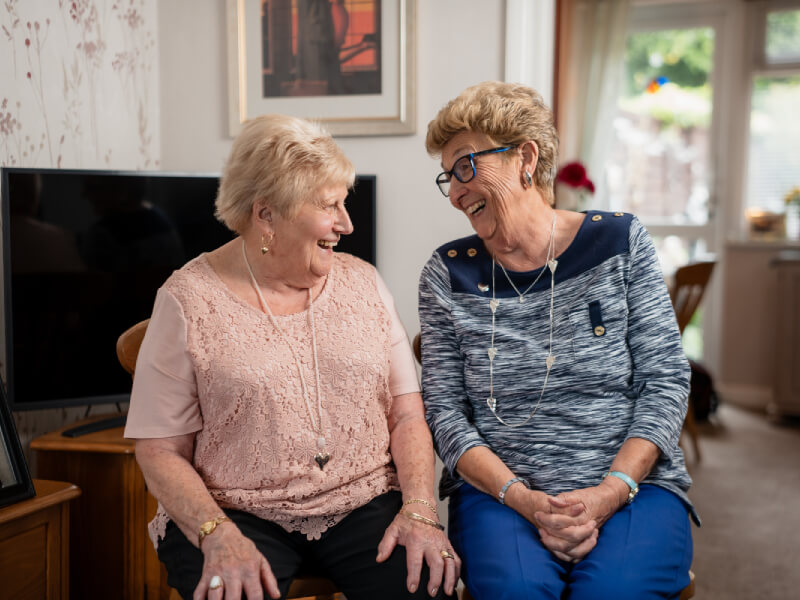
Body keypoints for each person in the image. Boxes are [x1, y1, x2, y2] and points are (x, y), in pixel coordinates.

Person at [125, 114, 460, 600]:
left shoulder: (363, 282)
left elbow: (407, 413)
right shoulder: (187, 300)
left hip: (362, 499)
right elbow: (158, 450)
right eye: (330, 206)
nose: (346, 224)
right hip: (232, 508)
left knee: (428, 586)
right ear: (266, 215)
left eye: (344, 203)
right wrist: (216, 534)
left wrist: (420, 510)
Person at [418, 81, 698, 600]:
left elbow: (665, 381)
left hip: (634, 487)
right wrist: (524, 500)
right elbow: (445, 413)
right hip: (501, 494)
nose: (456, 191)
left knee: (612, 592)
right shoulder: (447, 273)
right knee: (516, 592)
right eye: (448, 176)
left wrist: (610, 493)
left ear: (525, 157)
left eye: (465, 166)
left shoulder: (619, 242)